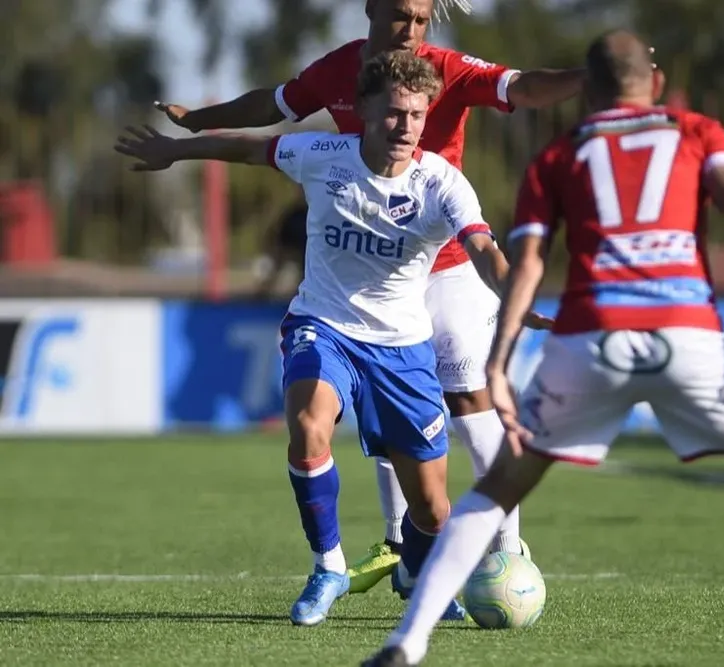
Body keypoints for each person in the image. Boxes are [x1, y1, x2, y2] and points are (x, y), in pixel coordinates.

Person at [360, 30, 724, 667]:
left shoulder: (559, 155)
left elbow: (526, 262)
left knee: (496, 490)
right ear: (657, 84)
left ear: (587, 91)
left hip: (592, 338)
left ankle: (405, 646)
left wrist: (500, 360)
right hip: (687, 332)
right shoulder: (698, 132)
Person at [153, 0, 584, 596]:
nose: (411, 30)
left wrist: (591, 79)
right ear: (371, 9)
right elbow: (271, 110)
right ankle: (399, 545)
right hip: (364, 276)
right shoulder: (338, 71)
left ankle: (507, 549)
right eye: (401, 16)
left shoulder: (447, 69)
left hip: (450, 263)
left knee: (467, 400)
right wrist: (199, 121)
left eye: (421, 18)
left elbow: (526, 88)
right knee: (378, 409)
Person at [117, 50, 519, 627]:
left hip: (403, 348)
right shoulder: (321, 155)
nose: (405, 126)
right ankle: (328, 564)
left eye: (416, 114)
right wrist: (175, 150)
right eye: (392, 113)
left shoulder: (443, 184)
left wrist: (518, 297)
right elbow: (248, 148)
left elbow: (484, 251)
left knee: (432, 510)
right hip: (323, 325)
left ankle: (415, 565)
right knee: (309, 426)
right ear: (361, 110)